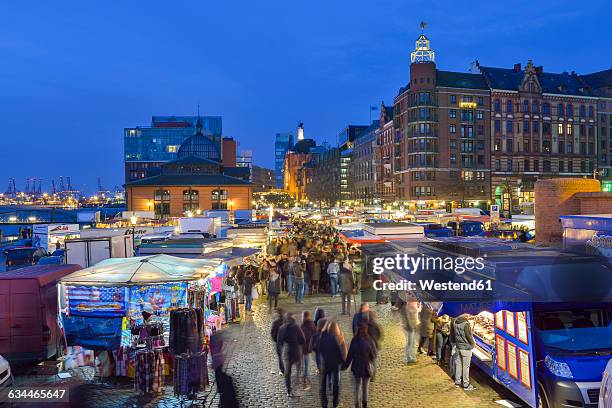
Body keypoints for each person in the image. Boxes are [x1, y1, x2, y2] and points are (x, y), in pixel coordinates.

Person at [342, 324, 375, 408]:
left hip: (356, 367)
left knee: (357, 388)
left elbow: (349, 356)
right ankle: (365, 405)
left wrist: (345, 366)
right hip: (366, 368)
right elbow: (372, 356)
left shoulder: (354, 341)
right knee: (365, 388)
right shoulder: (368, 340)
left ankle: (357, 405)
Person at [318, 321, 347, 408]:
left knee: (323, 383)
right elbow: (340, 352)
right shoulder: (337, 338)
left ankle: (324, 403)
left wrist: (323, 358)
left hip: (326, 363)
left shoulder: (323, 336)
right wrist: (343, 362)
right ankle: (335, 402)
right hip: (335, 363)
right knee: (336, 383)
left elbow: (319, 349)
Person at [277, 313, 306, 397]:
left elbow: (279, 342)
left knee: (287, 372)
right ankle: (296, 383)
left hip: (287, 352)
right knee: (298, 369)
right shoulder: (296, 327)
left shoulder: (282, 328)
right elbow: (303, 340)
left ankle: (289, 390)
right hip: (297, 351)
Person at [450, 314, 476, 391]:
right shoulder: (466, 324)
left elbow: (453, 335)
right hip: (466, 348)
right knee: (466, 367)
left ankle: (457, 382)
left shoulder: (455, 321)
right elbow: (468, 336)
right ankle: (466, 384)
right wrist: (472, 344)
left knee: (458, 365)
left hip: (458, 347)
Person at [398, 299, 419, 364]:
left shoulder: (408, 307)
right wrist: (411, 327)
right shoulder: (405, 308)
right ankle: (408, 357)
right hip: (409, 328)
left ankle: (410, 356)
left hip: (411, 327)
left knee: (412, 342)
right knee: (410, 343)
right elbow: (407, 320)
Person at [300, 311, 316, 390]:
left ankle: (306, 379)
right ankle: (306, 379)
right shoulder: (312, 324)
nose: (301, 317)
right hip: (307, 348)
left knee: (306, 365)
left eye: (302, 316)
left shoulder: (304, 325)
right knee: (306, 365)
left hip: (304, 349)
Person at [271, 308, 286, 375]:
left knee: (280, 356)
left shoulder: (276, 322)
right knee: (283, 355)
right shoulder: (286, 321)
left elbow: (272, 332)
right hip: (285, 340)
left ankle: (282, 369)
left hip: (278, 341)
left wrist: (275, 339)